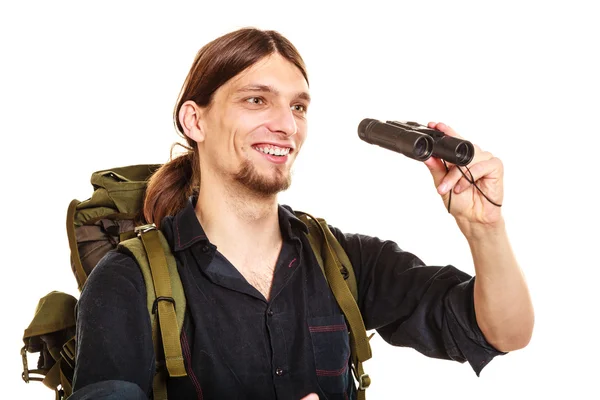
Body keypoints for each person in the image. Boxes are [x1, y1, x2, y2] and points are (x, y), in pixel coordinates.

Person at [69, 27, 534, 400]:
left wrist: (484, 229)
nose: (287, 124)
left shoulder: (343, 262)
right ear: (196, 121)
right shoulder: (127, 281)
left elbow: (503, 333)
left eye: (298, 106)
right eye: (256, 99)